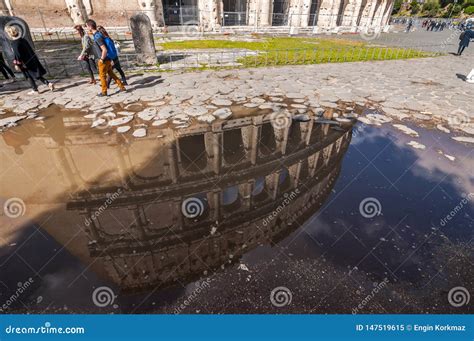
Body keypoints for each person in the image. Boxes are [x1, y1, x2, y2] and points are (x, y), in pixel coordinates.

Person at [5, 25, 54, 94]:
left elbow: (17, 55)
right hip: (31, 59)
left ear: (10, 34)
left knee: (28, 76)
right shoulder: (23, 40)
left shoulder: (14, 43)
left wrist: (16, 64)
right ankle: (48, 83)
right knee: (35, 74)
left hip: (24, 63)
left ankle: (35, 90)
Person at [85, 19, 126, 97]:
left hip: (104, 59)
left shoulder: (97, 37)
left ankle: (104, 92)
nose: (86, 28)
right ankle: (121, 86)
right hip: (108, 59)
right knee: (112, 74)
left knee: (102, 76)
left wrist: (101, 60)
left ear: (90, 26)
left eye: (87, 26)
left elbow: (104, 49)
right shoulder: (99, 34)